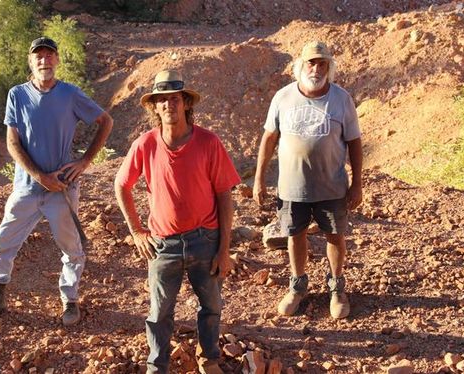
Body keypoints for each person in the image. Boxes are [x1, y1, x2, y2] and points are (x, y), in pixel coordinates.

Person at [0, 36, 113, 326]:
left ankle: (70, 300)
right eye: (38, 57)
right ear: (31, 62)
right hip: (27, 187)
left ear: (57, 60)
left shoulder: (70, 94)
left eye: (49, 56)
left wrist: (84, 162)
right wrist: (38, 176)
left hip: (62, 189)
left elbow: (106, 121)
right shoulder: (17, 95)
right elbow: (12, 142)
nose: (44, 61)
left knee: (71, 248)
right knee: (4, 241)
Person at [114, 70, 240, 374]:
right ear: (155, 107)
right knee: (159, 312)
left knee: (211, 306)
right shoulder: (145, 144)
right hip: (162, 243)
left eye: (174, 98)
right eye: (162, 100)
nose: (169, 104)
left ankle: (208, 358)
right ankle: (157, 365)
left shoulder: (209, 142)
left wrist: (224, 250)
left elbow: (224, 196)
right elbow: (121, 185)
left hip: (205, 239)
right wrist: (136, 231)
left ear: (185, 103)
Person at [253, 41, 363, 319]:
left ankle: (337, 288)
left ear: (329, 67)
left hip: (332, 185)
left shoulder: (341, 99)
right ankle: (297, 285)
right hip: (292, 186)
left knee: (335, 236)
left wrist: (358, 182)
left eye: (322, 63)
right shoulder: (282, 97)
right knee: (294, 235)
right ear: (300, 66)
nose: (316, 68)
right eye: (311, 63)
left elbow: (354, 142)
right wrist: (259, 179)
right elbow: (269, 138)